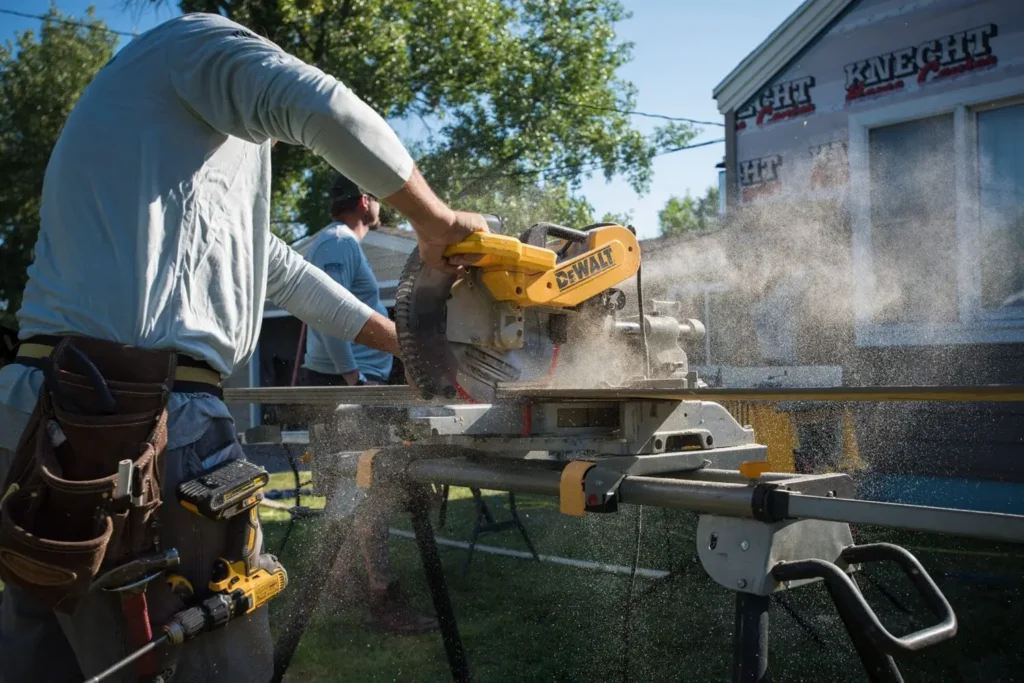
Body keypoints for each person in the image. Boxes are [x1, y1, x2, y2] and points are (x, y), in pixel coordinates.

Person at [0, 11, 487, 683]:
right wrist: (436, 221)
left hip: (40, 413)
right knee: (207, 664)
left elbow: (281, 272)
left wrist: (402, 341)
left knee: (53, 661)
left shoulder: (162, 149)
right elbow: (320, 103)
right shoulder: (196, 42)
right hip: (139, 422)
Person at [299, 173, 438, 635]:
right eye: (376, 196)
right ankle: (383, 601)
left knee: (351, 491)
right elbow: (326, 317)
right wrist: (354, 380)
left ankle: (342, 590)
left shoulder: (335, 243)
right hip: (351, 388)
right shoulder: (339, 242)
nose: (380, 204)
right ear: (364, 201)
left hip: (351, 385)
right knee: (372, 492)